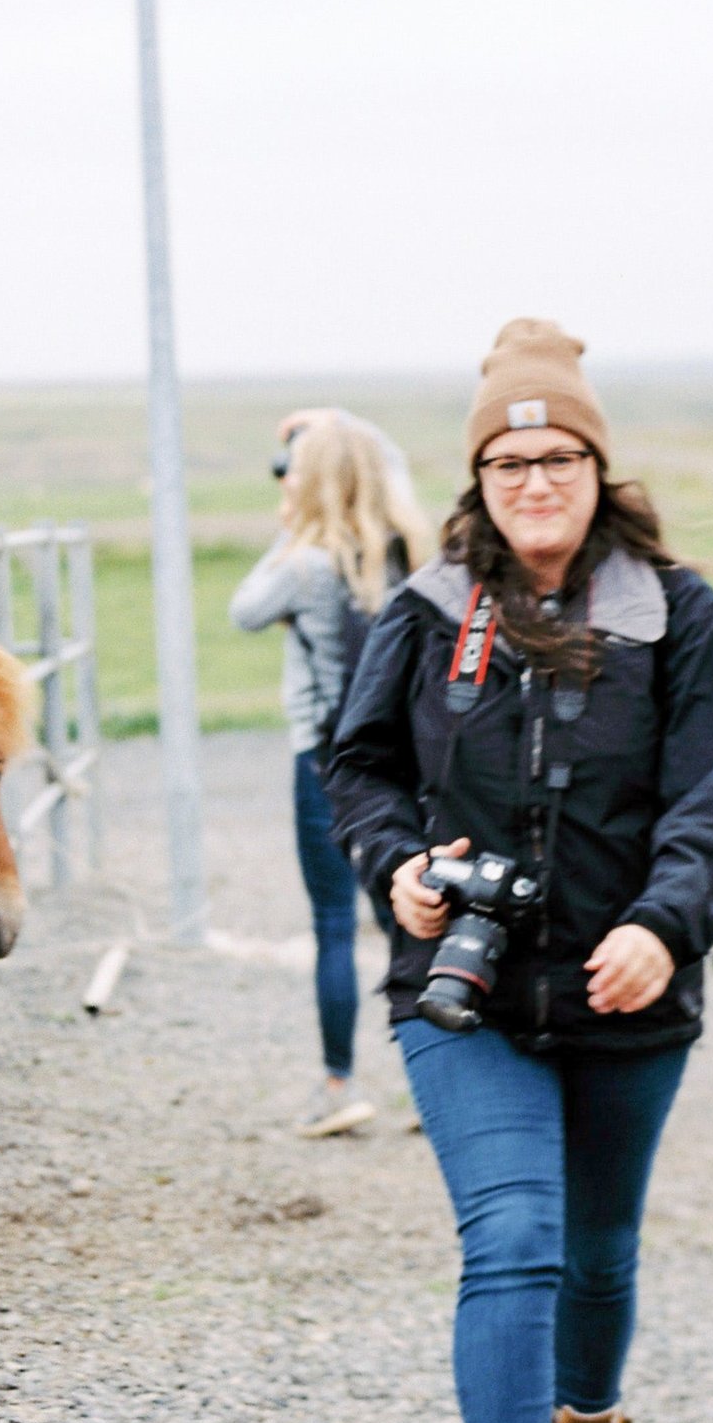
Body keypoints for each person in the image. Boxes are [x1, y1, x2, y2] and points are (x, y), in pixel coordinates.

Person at [325, 321, 713, 1423]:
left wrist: (665, 923)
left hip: (631, 981)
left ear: (596, 465)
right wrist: (396, 864)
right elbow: (359, 769)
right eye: (507, 462)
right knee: (513, 1233)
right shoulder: (423, 610)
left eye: (557, 454)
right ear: (480, 480)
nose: (533, 481)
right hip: (467, 991)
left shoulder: (678, 614)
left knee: (600, 1247)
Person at [230, 408, 427, 1136]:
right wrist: (354, 428)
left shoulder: (304, 566)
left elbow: (244, 610)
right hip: (404, 765)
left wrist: (295, 522)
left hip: (322, 764)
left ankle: (339, 1085)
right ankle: (437, 1081)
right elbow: (393, 473)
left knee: (333, 925)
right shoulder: (406, 556)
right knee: (408, 918)